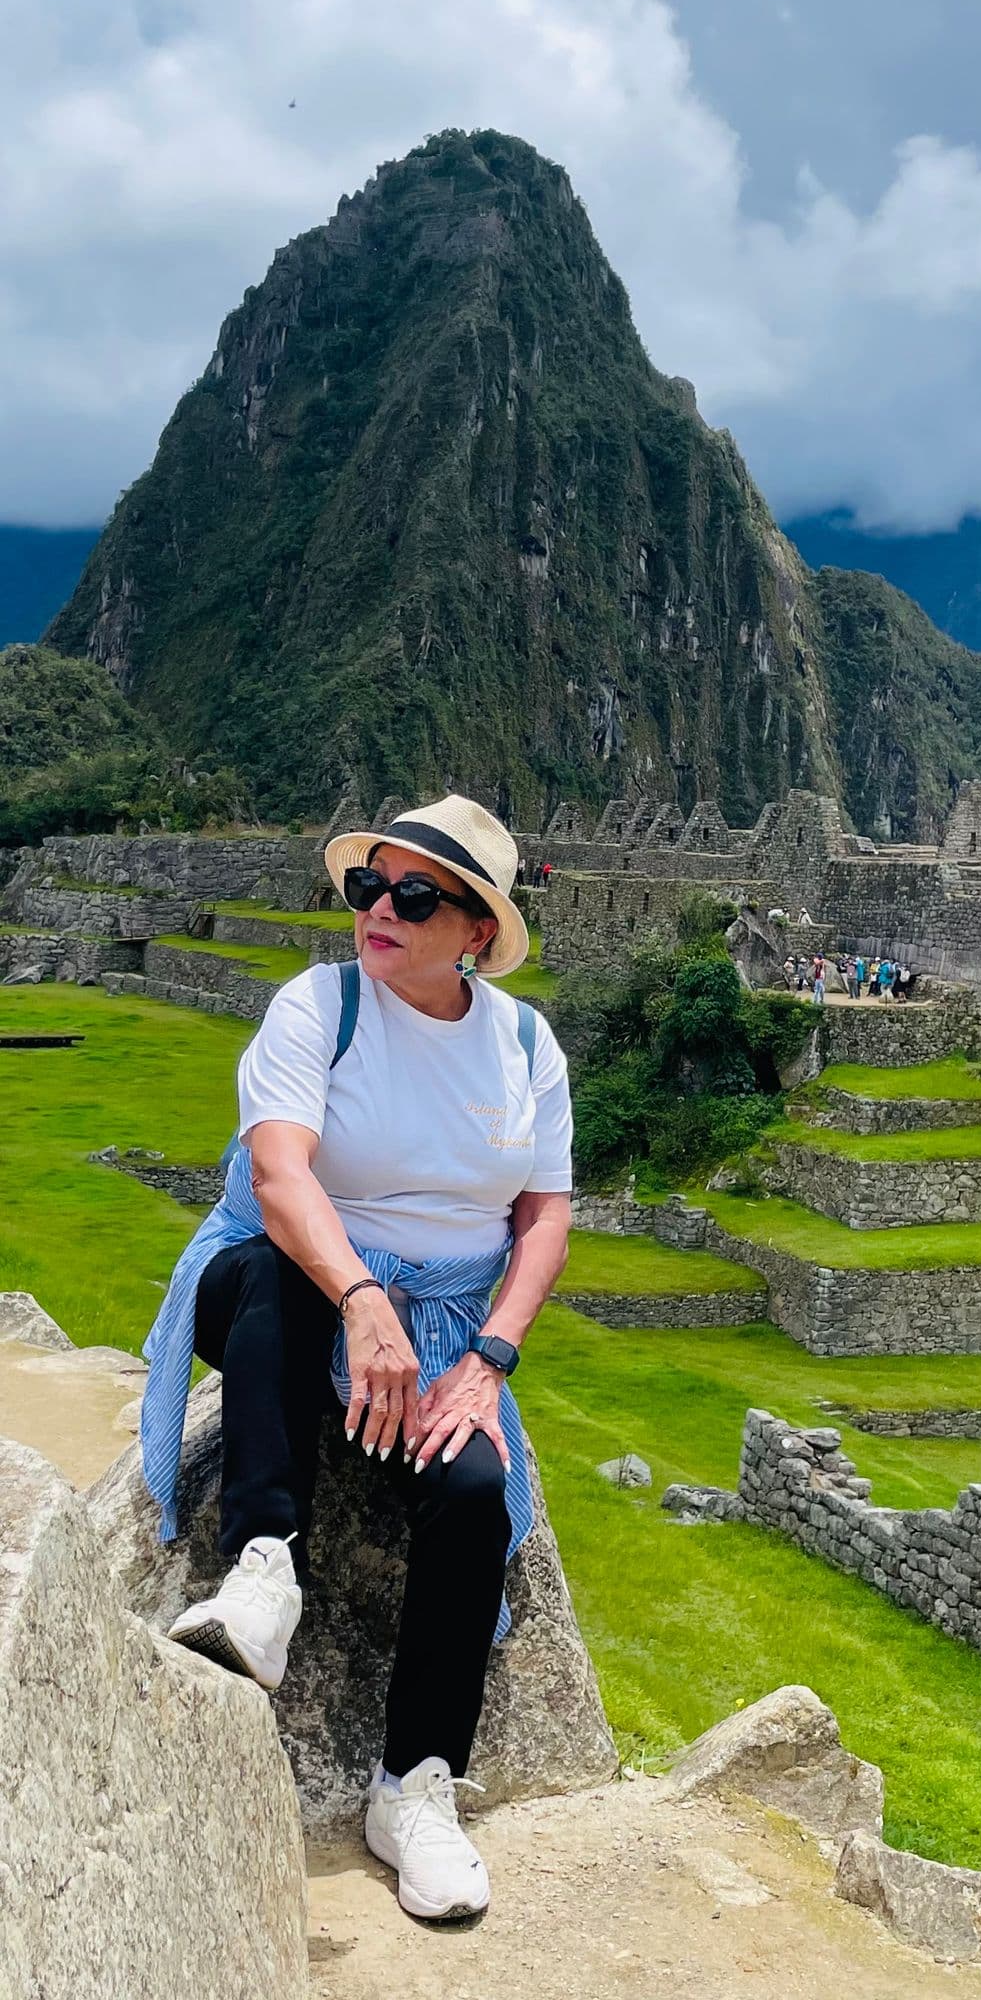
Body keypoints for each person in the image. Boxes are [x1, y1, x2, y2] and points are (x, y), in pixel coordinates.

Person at [142, 796, 573, 1924]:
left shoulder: (525, 1046)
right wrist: (363, 1297)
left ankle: (415, 1783)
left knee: (474, 1488)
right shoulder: (317, 1007)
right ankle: (263, 1562)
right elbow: (282, 1177)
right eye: (365, 888)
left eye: (413, 896)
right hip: (287, 1276)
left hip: (439, 1324)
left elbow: (544, 1217)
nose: (378, 910)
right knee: (285, 1282)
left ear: (476, 928)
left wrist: (487, 1356)